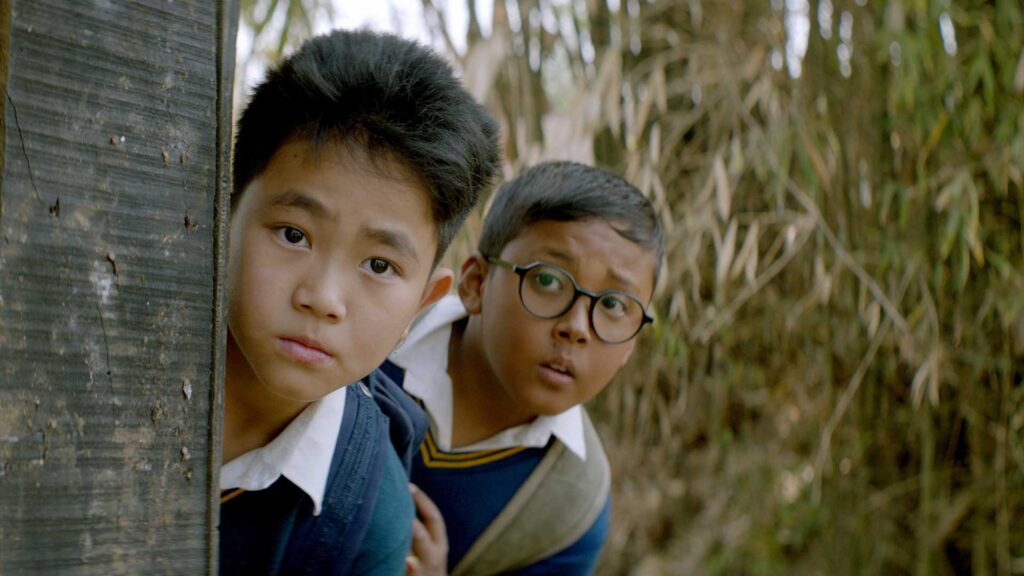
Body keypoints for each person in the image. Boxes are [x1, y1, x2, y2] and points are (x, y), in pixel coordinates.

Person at [217, 29, 500, 575]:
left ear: (423, 303)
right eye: (293, 234)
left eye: (379, 266)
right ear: (224, 217)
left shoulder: (367, 524)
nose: (323, 299)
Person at [386, 161, 663, 575]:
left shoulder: (569, 506)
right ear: (476, 284)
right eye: (548, 281)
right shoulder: (374, 342)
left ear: (631, 345)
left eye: (612, 305)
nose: (576, 328)